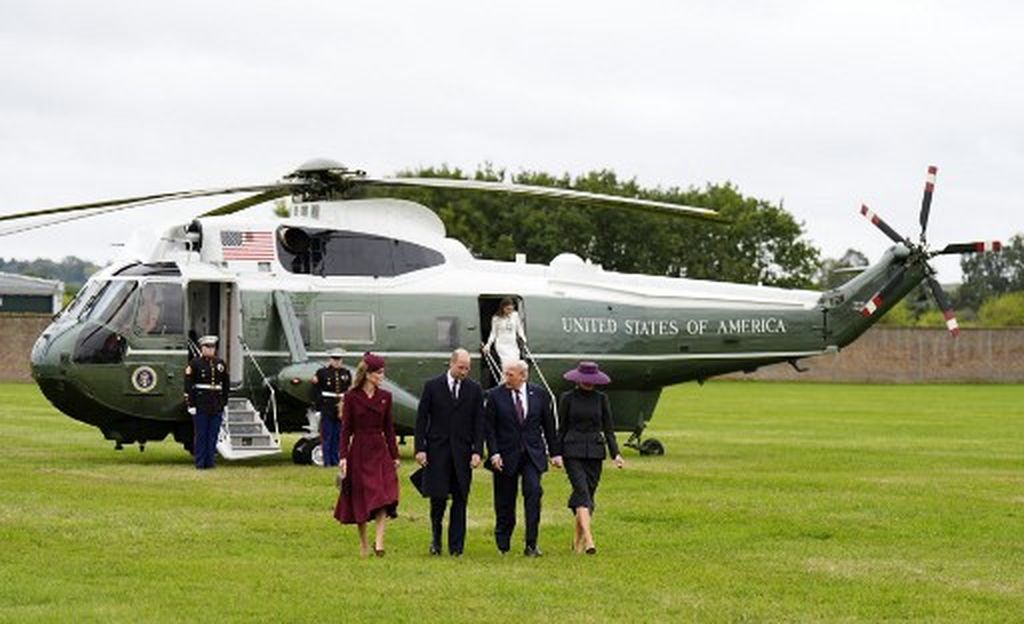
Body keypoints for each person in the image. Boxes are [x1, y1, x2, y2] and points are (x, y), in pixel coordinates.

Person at [483, 358, 560, 556]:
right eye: (505, 373)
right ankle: (503, 543)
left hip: (532, 455)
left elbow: (549, 426)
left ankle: (531, 544)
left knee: (534, 493)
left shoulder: (539, 395)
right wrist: (494, 453)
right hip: (505, 456)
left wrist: (555, 453)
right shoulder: (494, 396)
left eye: (510, 374)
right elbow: (489, 429)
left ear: (523, 376)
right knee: (505, 501)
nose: (506, 378)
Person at [414, 348, 484, 557]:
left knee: (461, 499)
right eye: (461, 367)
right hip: (438, 452)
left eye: (468, 369)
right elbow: (421, 419)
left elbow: (479, 423)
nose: (464, 372)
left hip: (462, 454)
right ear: (451, 364)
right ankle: (436, 540)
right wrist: (420, 448)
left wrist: (477, 450)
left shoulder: (474, 389)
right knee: (438, 499)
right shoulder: (432, 387)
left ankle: (457, 546)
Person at [334, 352, 400, 557]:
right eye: (379, 373)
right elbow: (346, 430)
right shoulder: (351, 397)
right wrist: (343, 457)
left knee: (383, 496)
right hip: (359, 450)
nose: (382, 376)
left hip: (379, 449)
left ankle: (379, 544)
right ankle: (363, 544)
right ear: (368, 374)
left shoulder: (385, 397)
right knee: (361, 498)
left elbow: (389, 428)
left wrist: (395, 455)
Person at [557, 361, 624, 555]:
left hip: (595, 452)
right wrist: (556, 453)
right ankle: (589, 541)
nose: (588, 384)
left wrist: (616, 454)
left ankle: (576, 543)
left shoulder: (601, 399)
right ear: (578, 380)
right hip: (572, 452)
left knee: (587, 497)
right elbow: (561, 428)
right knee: (582, 492)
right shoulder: (567, 398)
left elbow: (609, 429)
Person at [183, 335, 230, 470]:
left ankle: (210, 462)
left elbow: (225, 384)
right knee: (201, 434)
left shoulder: (220, 363)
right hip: (201, 403)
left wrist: (224, 403)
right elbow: (188, 385)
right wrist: (191, 404)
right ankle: (200, 463)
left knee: (213, 434)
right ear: (201, 348)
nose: (210, 350)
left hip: (216, 404)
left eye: (212, 347)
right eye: (207, 347)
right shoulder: (195, 363)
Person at [311, 348, 351, 467]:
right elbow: (316, 390)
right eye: (335, 359)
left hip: (341, 406)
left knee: (338, 435)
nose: (337, 362)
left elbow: (348, 390)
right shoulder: (322, 372)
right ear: (330, 359)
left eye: (339, 359)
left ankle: (335, 459)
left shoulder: (346, 373)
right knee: (327, 435)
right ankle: (327, 460)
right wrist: (318, 407)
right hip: (327, 405)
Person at [482, 297, 528, 369]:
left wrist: (523, 338)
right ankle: (505, 379)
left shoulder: (515, 315)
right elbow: (493, 333)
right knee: (506, 365)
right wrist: (488, 345)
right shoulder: (496, 318)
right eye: (508, 309)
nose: (510, 311)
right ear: (503, 308)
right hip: (502, 345)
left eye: (511, 309)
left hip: (513, 344)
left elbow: (519, 329)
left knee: (515, 364)